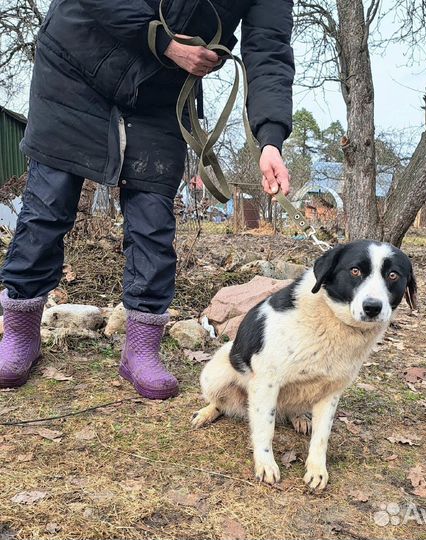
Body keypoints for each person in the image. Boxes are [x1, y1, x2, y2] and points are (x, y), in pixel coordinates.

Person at [0, 0, 294, 399]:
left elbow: (269, 48)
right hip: (76, 60)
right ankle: (20, 333)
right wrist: (166, 43)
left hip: (160, 90)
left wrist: (270, 139)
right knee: (47, 207)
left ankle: (141, 349)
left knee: (153, 221)